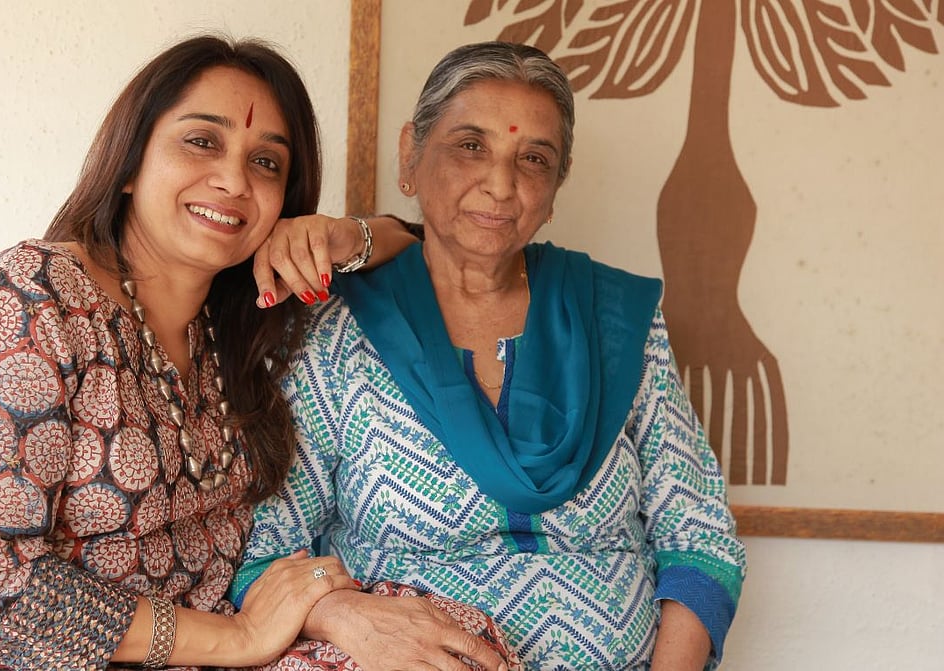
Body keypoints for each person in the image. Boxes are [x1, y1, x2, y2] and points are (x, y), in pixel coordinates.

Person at [0, 34, 482, 670]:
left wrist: (339, 232)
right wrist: (242, 639)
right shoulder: (33, 300)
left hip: (189, 658)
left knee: (440, 642)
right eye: (202, 141)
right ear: (130, 164)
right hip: (0, 658)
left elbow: (412, 242)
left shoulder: (239, 321)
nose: (235, 180)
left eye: (267, 163)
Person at [232, 41, 747, 670]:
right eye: (470, 146)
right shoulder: (331, 330)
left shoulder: (617, 320)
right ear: (410, 157)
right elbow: (265, 549)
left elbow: (699, 539)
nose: (501, 185)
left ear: (555, 189)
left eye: (533, 159)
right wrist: (352, 621)